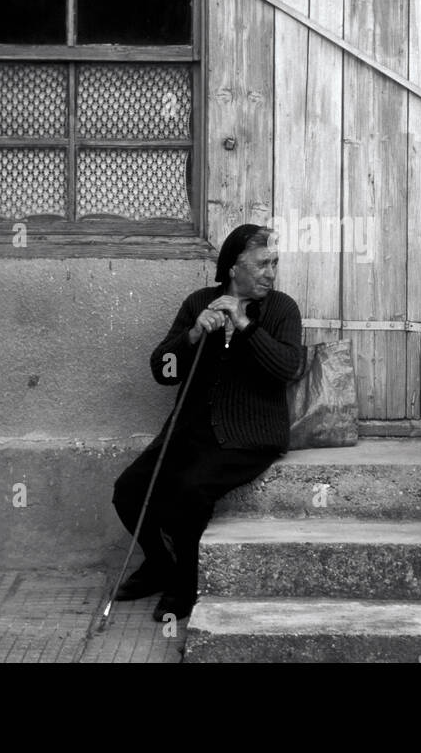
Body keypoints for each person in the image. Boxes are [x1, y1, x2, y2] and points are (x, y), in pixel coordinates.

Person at [111, 224, 304, 621]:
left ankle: (185, 584)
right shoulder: (199, 302)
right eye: (262, 264)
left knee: (190, 491)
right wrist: (193, 335)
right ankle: (159, 564)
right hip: (191, 431)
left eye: (274, 264)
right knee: (128, 490)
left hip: (250, 436)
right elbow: (163, 370)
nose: (271, 274)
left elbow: (287, 369)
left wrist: (245, 325)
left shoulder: (282, 309)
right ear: (233, 268)